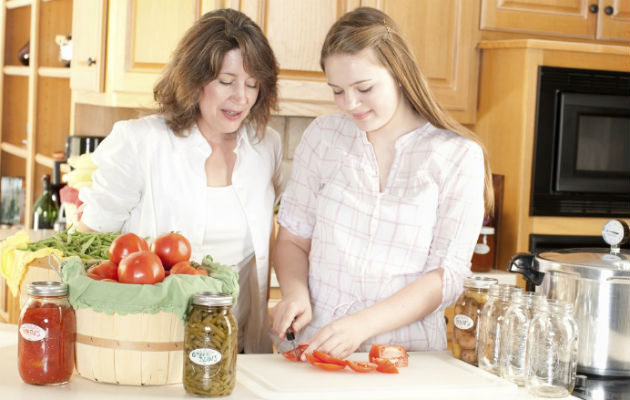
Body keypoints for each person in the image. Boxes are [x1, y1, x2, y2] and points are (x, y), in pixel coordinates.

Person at [270, 7, 494, 359]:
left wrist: (361, 325)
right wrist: (295, 293)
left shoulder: (456, 155)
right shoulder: (323, 137)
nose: (350, 104)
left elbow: (446, 276)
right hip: (313, 349)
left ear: (399, 73)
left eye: (364, 88)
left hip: (407, 358)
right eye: (338, 91)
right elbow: (293, 239)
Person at [77, 9, 282, 353]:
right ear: (194, 78)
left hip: (237, 348)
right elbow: (90, 247)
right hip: (152, 345)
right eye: (226, 81)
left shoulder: (266, 147)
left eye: (252, 84)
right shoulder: (141, 142)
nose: (241, 98)